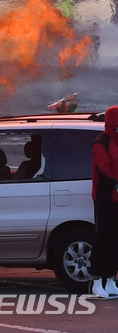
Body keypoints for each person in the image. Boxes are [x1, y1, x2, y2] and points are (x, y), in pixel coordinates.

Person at [89, 105, 118, 298]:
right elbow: (104, 171)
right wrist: (115, 184)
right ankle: (97, 279)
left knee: (116, 238)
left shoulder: (115, 140)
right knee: (103, 237)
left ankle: (111, 278)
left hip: (116, 196)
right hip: (105, 197)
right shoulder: (101, 142)